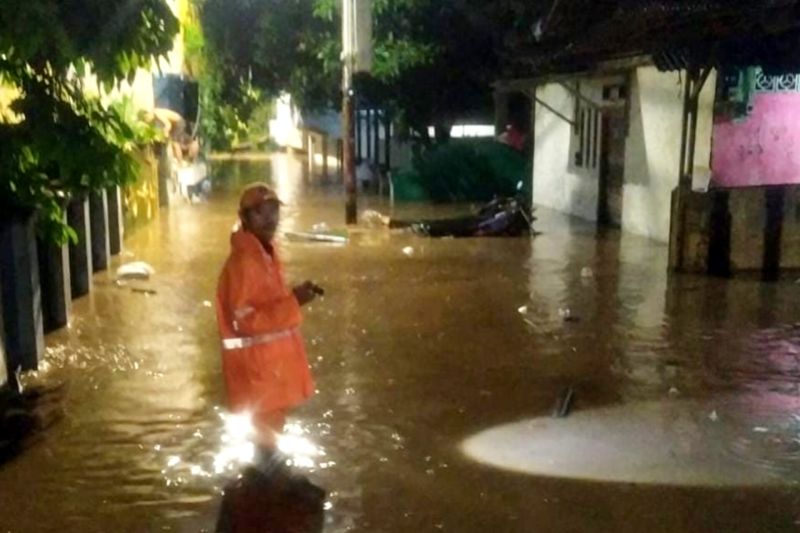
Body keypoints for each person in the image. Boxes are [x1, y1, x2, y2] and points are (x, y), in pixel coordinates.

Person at [215, 183, 323, 462]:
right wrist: (294, 301)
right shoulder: (244, 261)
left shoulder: (264, 254)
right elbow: (246, 320)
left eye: (274, 211)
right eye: (261, 213)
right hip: (258, 373)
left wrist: (294, 296)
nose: (270, 219)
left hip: (268, 371)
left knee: (269, 446)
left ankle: (264, 494)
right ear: (245, 218)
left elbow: (264, 303)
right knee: (267, 452)